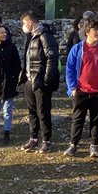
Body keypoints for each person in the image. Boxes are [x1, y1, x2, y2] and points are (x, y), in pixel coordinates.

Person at [64, 20, 98, 157]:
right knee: (78, 119)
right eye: (95, 30)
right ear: (87, 32)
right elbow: (69, 69)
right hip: (81, 90)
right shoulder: (77, 49)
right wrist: (72, 87)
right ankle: (73, 145)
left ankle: (94, 145)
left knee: (96, 119)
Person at [18, 11, 59, 154]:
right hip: (30, 80)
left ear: (30, 22)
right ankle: (33, 138)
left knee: (43, 112)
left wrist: (46, 80)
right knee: (32, 111)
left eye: (24, 23)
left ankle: (46, 141)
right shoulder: (30, 36)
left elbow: (52, 59)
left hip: (41, 82)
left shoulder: (45, 36)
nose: (23, 26)